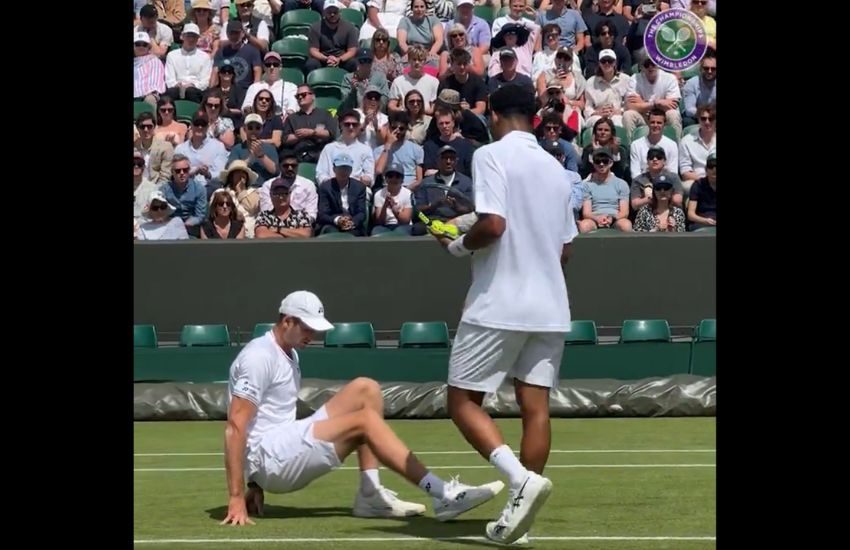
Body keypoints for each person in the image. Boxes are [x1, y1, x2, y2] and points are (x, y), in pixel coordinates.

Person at [431, 85, 578, 545]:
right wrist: (473, 224)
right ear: (534, 118)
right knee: (534, 408)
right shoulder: (557, 170)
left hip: (500, 303)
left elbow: (494, 226)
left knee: (461, 403)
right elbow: (564, 249)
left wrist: (458, 244)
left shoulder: (490, 155)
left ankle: (520, 482)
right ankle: (522, 517)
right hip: (550, 306)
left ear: (493, 115)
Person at [220, 290, 505, 526]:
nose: (313, 336)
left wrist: (254, 486)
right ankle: (441, 493)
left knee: (365, 388)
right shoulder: (259, 357)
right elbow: (236, 427)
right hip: (271, 460)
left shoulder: (289, 352)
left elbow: (265, 417)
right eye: (307, 328)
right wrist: (237, 494)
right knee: (365, 421)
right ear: (287, 321)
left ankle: (370, 494)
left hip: (278, 447)